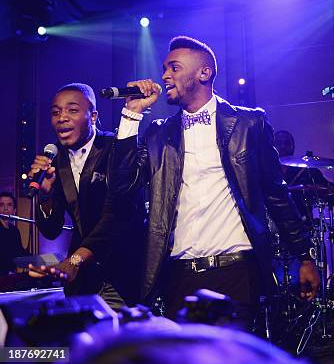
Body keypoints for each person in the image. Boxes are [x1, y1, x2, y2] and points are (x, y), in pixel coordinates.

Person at [108, 36, 320, 323]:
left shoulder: (249, 124)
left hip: (236, 271)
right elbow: (122, 186)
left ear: (204, 73)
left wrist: (304, 256)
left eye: (174, 67)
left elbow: (276, 194)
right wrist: (131, 115)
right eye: (164, 69)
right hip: (178, 274)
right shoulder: (159, 133)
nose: (164, 76)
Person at [27, 83, 145, 309]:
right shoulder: (56, 161)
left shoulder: (115, 148)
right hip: (83, 282)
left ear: (93, 116)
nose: (62, 118)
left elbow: (118, 215)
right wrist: (46, 196)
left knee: (122, 344)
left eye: (72, 110)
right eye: (55, 112)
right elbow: (51, 230)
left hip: (123, 274)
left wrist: (75, 260)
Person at [0, 191, 28, 276]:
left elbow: (19, 252)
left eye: (9, 205)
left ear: (14, 210)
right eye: (1, 205)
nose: (5, 208)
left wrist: (38, 259)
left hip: (10, 276)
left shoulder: (14, 230)